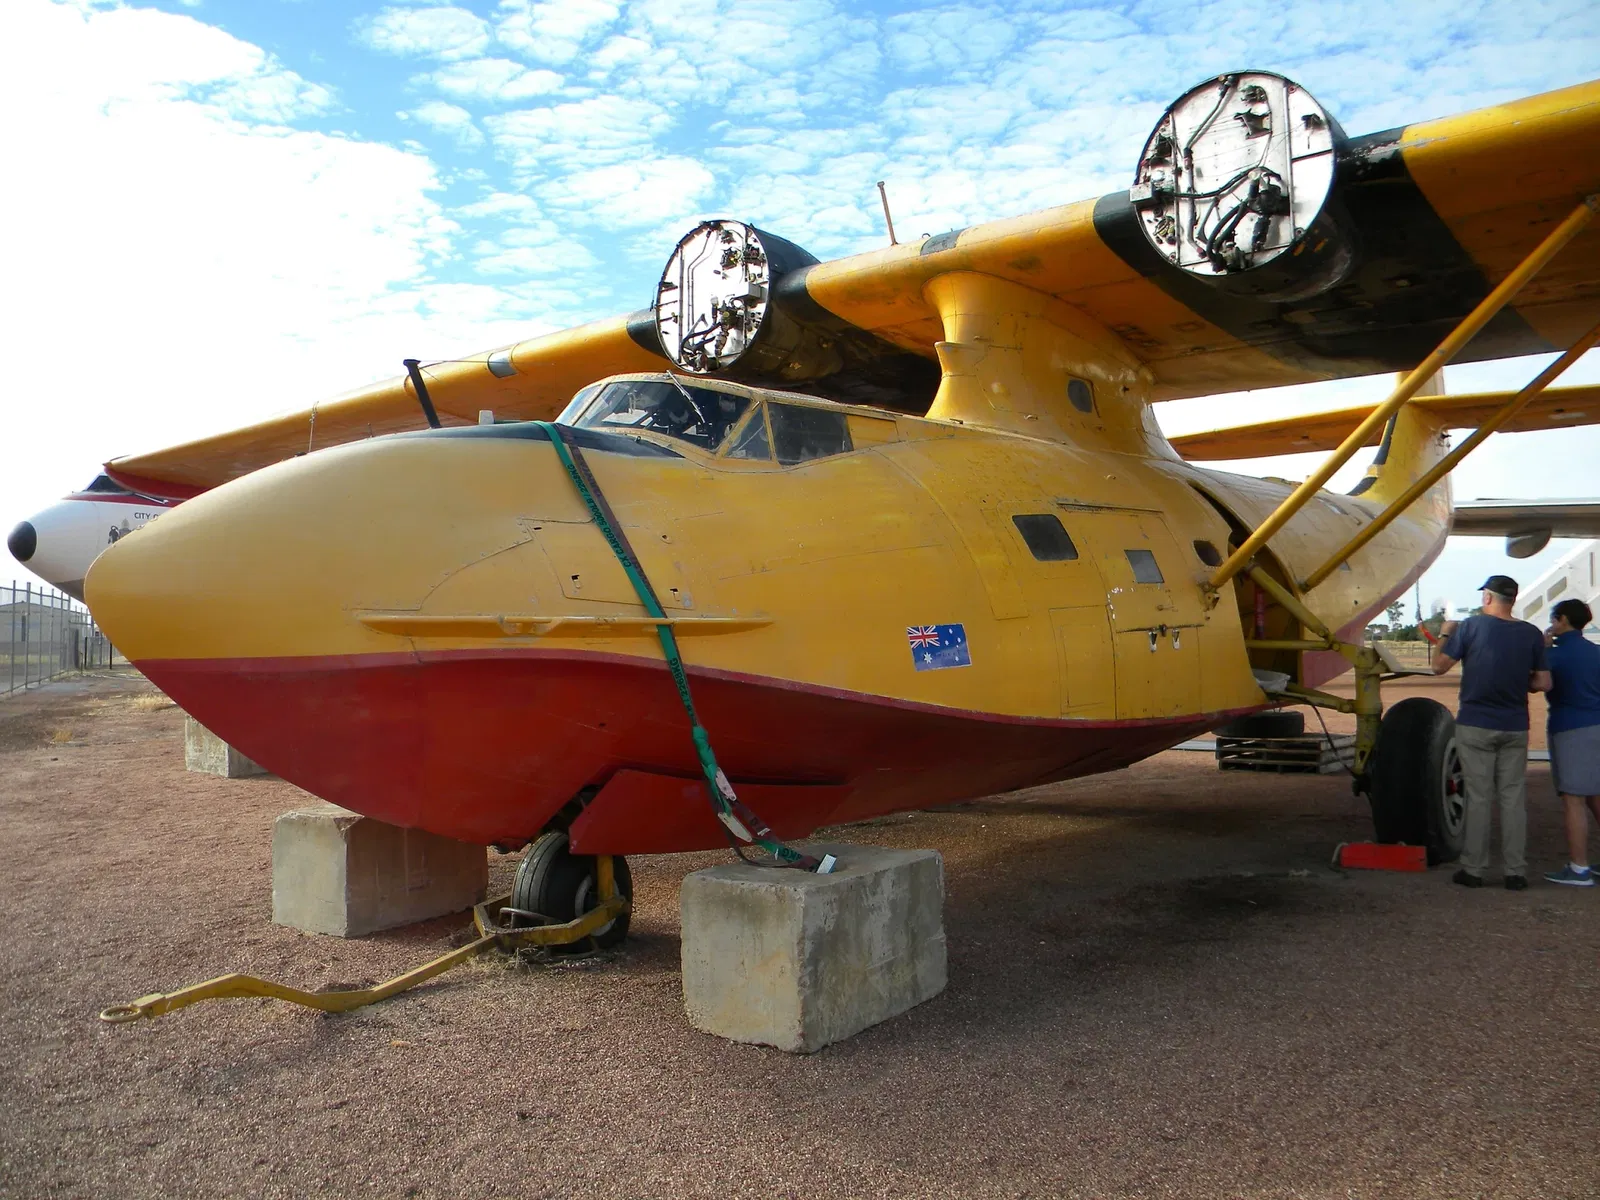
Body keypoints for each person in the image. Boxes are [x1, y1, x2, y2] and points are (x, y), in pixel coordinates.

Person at [1432, 575, 1551, 889]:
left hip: (1476, 722)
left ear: (1487, 597)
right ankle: (1516, 871)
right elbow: (1542, 683)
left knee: (1479, 797)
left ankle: (1474, 869)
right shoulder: (1531, 633)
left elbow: (1439, 666)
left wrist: (1445, 634)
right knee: (1513, 798)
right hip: (1514, 724)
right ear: (1512, 599)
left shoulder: (1471, 627)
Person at [1542, 598, 1600, 886]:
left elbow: (1536, 682)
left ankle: (1579, 868)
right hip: (1597, 724)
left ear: (1562, 620)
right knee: (1596, 795)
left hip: (1570, 729)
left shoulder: (1553, 656)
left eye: (1554, 619)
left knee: (1573, 800)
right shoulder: (1596, 652)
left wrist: (1542, 649)